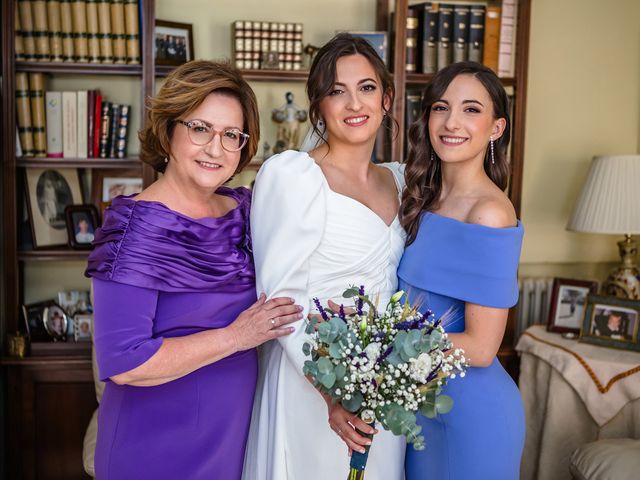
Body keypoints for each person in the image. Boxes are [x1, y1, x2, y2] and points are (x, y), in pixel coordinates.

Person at [85, 60, 302, 480]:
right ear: (168, 132)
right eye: (200, 128)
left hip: (233, 438)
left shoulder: (245, 211)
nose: (216, 149)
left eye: (231, 135)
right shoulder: (135, 228)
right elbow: (125, 362)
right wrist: (237, 336)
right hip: (154, 444)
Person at [243, 33, 405, 480]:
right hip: (310, 381)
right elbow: (280, 302)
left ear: (386, 98)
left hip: (383, 383)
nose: (355, 103)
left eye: (367, 87)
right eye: (337, 91)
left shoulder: (402, 181)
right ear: (319, 107)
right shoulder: (293, 176)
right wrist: (331, 393)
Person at [398, 61, 525, 479]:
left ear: (496, 128)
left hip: (473, 415)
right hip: (421, 409)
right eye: (440, 107)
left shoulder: (489, 213)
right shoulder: (424, 199)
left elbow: (482, 347)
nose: (452, 122)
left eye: (471, 109)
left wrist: (381, 347)